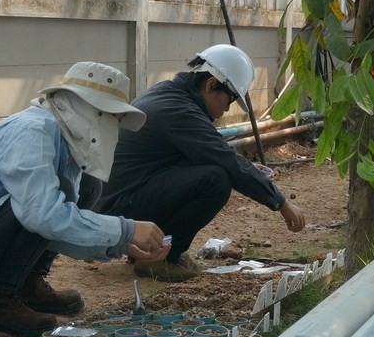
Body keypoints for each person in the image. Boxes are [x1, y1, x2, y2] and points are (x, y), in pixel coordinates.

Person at [0, 62, 171, 337]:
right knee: (56, 196)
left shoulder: (62, 141)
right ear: (87, 109)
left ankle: (25, 282)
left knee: (85, 188)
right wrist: (125, 229)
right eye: (112, 116)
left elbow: (56, 229)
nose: (115, 126)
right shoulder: (32, 131)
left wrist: (121, 243)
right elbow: (43, 216)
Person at [98, 44, 306, 282]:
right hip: (120, 209)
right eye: (229, 100)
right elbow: (224, 160)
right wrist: (281, 203)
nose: (227, 109)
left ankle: (150, 250)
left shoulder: (169, 94)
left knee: (215, 171)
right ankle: (161, 258)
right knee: (216, 180)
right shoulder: (180, 111)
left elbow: (205, 152)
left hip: (120, 202)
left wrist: (249, 169)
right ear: (210, 85)